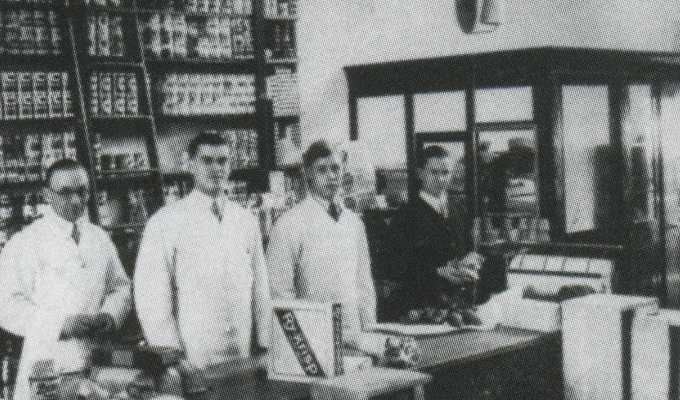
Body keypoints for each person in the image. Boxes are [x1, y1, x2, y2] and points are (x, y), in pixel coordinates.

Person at [0, 158, 131, 400]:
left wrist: (110, 316)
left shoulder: (99, 238)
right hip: (49, 364)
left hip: (98, 360)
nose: (76, 200)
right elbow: (5, 307)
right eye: (65, 192)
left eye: (82, 191)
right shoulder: (25, 243)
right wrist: (60, 325)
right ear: (47, 194)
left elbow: (120, 287)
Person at [134, 132, 271, 368]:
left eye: (222, 161)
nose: (216, 168)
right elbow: (151, 300)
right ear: (190, 164)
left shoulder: (246, 220)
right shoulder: (165, 222)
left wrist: (265, 342)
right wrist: (173, 359)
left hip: (243, 352)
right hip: (193, 359)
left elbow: (261, 287)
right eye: (207, 161)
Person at [266, 140, 377, 348]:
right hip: (313, 337)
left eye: (335, 168)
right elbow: (279, 291)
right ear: (308, 173)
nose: (331, 176)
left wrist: (369, 329)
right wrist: (300, 343)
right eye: (322, 170)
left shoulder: (354, 222)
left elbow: (364, 283)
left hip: (354, 334)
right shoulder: (288, 224)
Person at [388, 145, 481, 314]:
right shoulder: (406, 215)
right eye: (434, 172)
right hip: (422, 306)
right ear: (421, 173)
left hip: (460, 305)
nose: (440, 179)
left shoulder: (459, 209)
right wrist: (438, 272)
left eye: (446, 172)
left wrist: (472, 262)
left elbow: (468, 248)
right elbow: (395, 266)